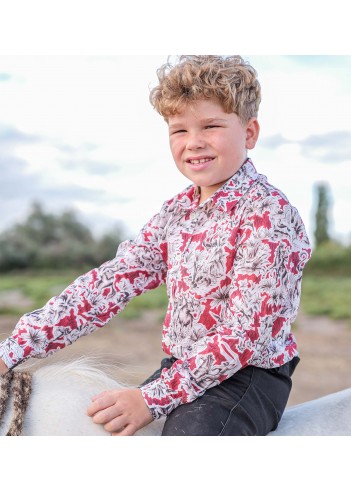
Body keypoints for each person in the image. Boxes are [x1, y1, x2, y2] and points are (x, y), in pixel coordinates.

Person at [0, 55, 311, 436]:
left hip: (247, 377)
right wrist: (11, 351)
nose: (194, 142)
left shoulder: (269, 215)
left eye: (211, 125)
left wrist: (151, 399)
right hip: (181, 366)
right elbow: (107, 285)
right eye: (179, 130)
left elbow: (245, 333)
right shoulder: (176, 213)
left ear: (249, 133)